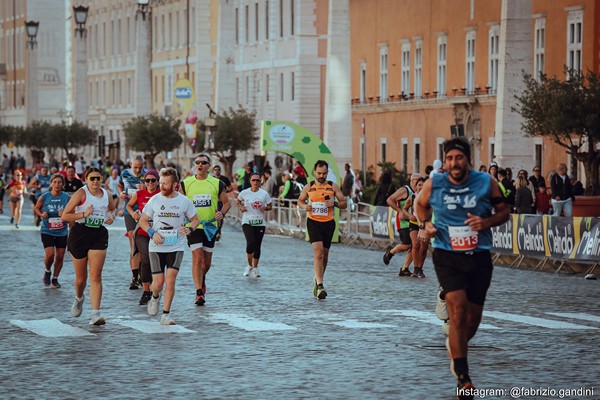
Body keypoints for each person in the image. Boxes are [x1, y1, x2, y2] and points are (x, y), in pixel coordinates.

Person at [415, 137, 509, 397]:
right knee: (456, 313)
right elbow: (419, 205)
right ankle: (464, 379)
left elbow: (504, 211)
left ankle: (455, 347)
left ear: (467, 159)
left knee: (472, 321)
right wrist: (426, 225)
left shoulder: (485, 182)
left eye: (458, 158)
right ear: (444, 162)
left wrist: (486, 221)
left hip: (478, 255)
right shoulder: (436, 183)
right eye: (449, 158)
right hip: (447, 254)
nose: (454, 163)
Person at [139, 167, 200, 325]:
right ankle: (155, 297)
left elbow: (195, 219)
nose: (161, 186)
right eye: (160, 183)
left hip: (176, 246)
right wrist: (152, 232)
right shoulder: (155, 200)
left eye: (165, 183)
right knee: (158, 283)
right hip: (157, 246)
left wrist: (190, 228)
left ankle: (166, 315)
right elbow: (142, 221)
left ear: (174, 184)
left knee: (171, 279)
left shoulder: (184, 201)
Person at [61, 167, 116, 326]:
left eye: (98, 178)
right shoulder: (81, 193)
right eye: (92, 178)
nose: (95, 181)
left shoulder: (106, 195)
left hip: (98, 234)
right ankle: (79, 298)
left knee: (96, 276)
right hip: (79, 234)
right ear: (86, 179)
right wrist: (83, 214)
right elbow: (65, 215)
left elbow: (112, 209)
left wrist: (111, 216)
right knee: (80, 279)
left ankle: (95, 314)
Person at [181, 154, 230, 306]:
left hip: (210, 226)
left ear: (209, 166)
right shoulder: (186, 183)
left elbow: (227, 203)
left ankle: (201, 280)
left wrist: (221, 213)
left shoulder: (217, 183)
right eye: (197, 162)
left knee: (206, 262)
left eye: (203, 163)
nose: (200, 165)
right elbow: (179, 202)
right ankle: (198, 292)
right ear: (194, 165)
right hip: (193, 226)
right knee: (197, 257)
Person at [297, 160, 347, 299]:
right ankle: (320, 285)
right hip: (313, 222)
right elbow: (300, 200)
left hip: (328, 223)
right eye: (319, 173)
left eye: (324, 173)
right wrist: (304, 206)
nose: (321, 176)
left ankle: (318, 279)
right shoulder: (309, 187)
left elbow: (344, 204)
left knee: (324, 255)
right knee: (318, 253)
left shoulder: (332, 186)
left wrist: (335, 203)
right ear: (314, 172)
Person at [127, 169, 160, 305]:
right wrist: (133, 213)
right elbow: (129, 206)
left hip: (158, 232)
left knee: (156, 260)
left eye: (153, 180)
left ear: (158, 181)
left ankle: (154, 287)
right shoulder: (140, 194)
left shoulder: (161, 194)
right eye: (147, 180)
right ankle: (146, 291)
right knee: (145, 257)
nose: (150, 183)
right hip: (142, 232)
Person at [34, 173, 70, 288]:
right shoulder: (44, 197)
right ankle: (47, 271)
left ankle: (55, 278)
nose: (57, 184)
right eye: (54, 182)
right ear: (51, 184)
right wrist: (41, 214)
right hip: (47, 230)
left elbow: (72, 213)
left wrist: (64, 214)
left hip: (62, 231)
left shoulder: (67, 198)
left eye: (59, 182)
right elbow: (36, 208)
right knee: (50, 255)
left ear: (62, 184)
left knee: (60, 256)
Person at [383, 173, 421, 276]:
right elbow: (389, 200)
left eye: (421, 180)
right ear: (412, 181)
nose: (419, 183)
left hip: (414, 222)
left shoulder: (419, 192)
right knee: (407, 245)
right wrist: (399, 211)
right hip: (403, 221)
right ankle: (391, 251)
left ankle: (405, 268)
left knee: (415, 245)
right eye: (417, 180)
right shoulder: (405, 190)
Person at [237, 172, 273, 278]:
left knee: (257, 245)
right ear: (250, 181)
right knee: (250, 243)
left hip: (260, 222)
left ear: (260, 181)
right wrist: (241, 208)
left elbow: (270, 205)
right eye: (254, 180)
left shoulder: (264, 193)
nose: (256, 182)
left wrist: (265, 208)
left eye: (258, 180)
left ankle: (256, 268)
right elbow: (238, 201)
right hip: (247, 221)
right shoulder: (245, 192)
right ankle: (249, 265)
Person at [118, 156, 146, 290]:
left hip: (144, 212)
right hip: (129, 211)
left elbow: (157, 190)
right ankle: (135, 277)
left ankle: (141, 272)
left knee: (141, 244)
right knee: (133, 242)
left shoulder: (147, 175)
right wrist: (121, 193)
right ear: (130, 164)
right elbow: (119, 185)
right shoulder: (124, 173)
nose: (138, 170)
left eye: (140, 167)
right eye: (135, 167)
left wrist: (145, 187)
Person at [402, 177, 428, 278]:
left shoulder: (428, 197)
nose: (421, 187)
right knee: (415, 244)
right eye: (419, 185)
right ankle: (416, 268)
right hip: (414, 223)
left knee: (424, 248)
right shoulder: (412, 197)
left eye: (423, 185)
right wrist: (409, 215)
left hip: (425, 224)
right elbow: (404, 209)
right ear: (416, 186)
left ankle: (420, 268)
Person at [211, 165, 233, 241]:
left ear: (220, 171)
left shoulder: (224, 179)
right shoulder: (211, 179)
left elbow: (231, 188)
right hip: (213, 200)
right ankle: (214, 232)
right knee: (213, 217)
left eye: (218, 170)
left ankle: (218, 231)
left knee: (220, 216)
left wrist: (224, 192)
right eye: (215, 170)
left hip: (221, 201)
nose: (217, 171)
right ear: (213, 171)